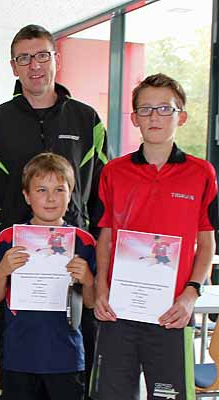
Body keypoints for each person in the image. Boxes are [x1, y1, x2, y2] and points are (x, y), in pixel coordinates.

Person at [0, 24, 109, 390]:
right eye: (24, 58)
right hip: (13, 269)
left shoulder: (87, 120)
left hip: (73, 270)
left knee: (72, 373)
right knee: (18, 373)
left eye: (42, 55)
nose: (35, 65)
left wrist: (98, 271)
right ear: (13, 66)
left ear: (56, 59)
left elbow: (103, 199)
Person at [92, 73, 218, 399]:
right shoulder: (113, 172)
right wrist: (101, 287)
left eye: (165, 108)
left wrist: (191, 294)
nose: (154, 117)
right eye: (145, 109)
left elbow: (206, 242)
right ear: (134, 118)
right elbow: (106, 237)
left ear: (181, 116)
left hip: (172, 313)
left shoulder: (201, 173)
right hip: (119, 311)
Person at [0, 153, 95, 400]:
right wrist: (3, 270)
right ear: (26, 195)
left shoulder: (84, 241)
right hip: (19, 356)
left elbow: (91, 303)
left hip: (67, 357)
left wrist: (88, 279)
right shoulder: (9, 238)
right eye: (41, 190)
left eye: (59, 190)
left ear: (70, 193)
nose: (51, 198)